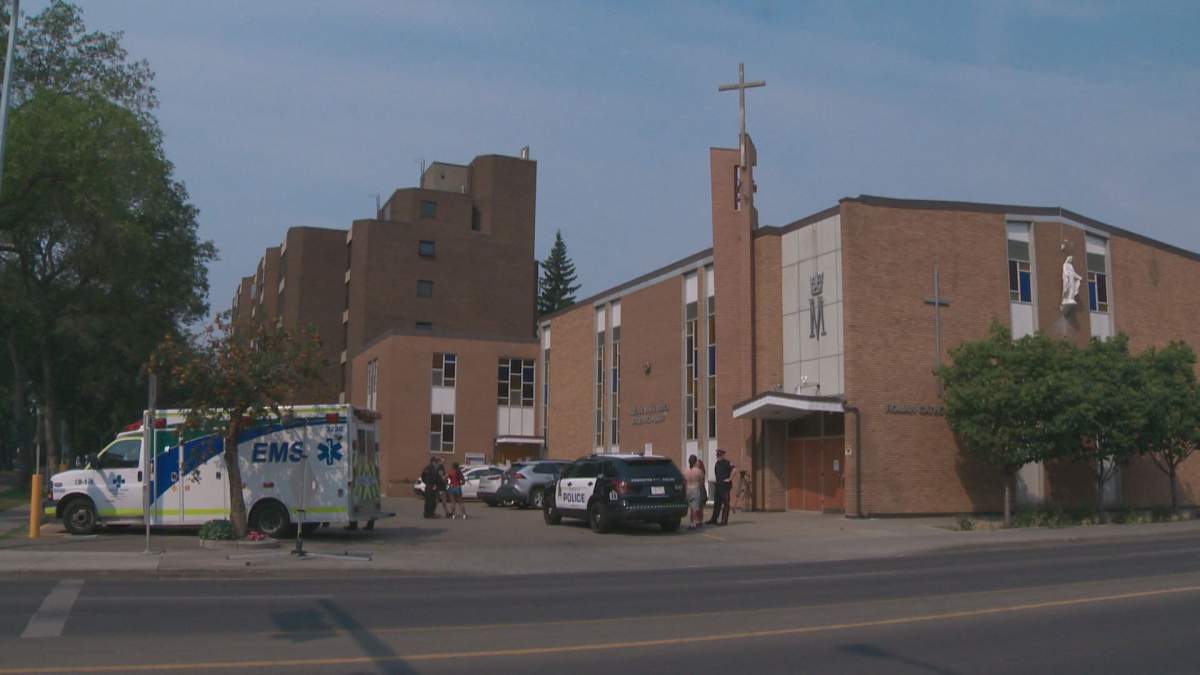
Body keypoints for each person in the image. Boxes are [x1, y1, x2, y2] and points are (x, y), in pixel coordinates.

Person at [708, 448, 733, 526]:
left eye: (719, 455)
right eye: (717, 455)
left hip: (725, 487)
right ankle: (714, 519)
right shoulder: (717, 463)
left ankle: (724, 521)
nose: (717, 456)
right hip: (718, 486)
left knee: (726, 504)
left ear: (723, 455)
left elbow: (734, 470)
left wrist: (730, 479)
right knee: (717, 504)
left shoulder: (727, 463)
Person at [684, 454, 705, 529]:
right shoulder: (699, 471)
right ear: (695, 462)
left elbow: (684, 482)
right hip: (695, 489)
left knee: (691, 508)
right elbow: (701, 482)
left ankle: (691, 522)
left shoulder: (685, 471)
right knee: (694, 508)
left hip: (687, 489)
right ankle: (693, 523)